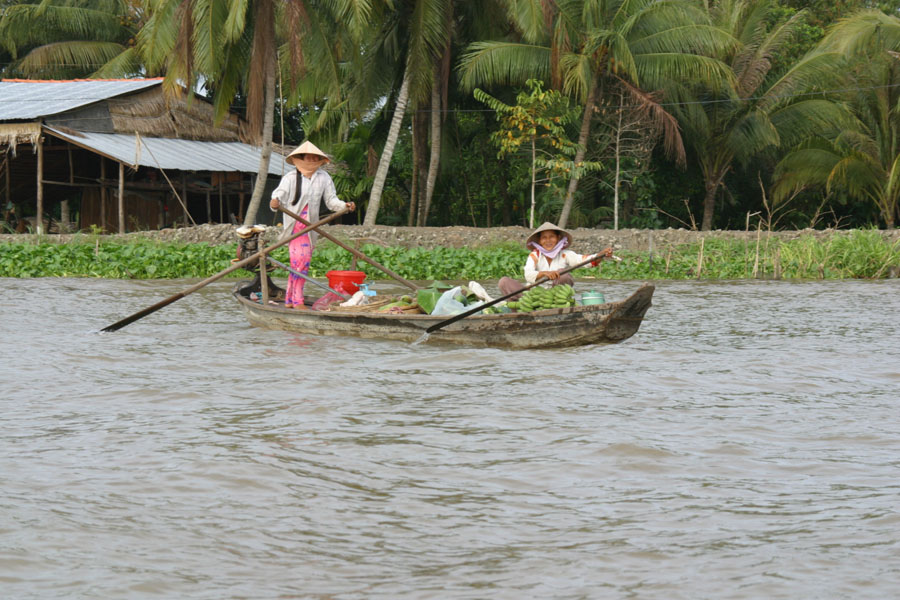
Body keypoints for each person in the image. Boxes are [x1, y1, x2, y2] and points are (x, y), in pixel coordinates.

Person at [269, 141, 356, 309]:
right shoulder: (290, 178)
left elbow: (331, 201)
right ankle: (297, 301)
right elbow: (277, 195)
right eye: (308, 158)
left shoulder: (323, 177)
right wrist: (275, 202)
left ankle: (289, 300)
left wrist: (345, 206)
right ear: (300, 159)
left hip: (310, 227)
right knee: (301, 263)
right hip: (294, 227)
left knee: (299, 264)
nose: (311, 161)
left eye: (315, 158)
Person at [498, 222, 613, 298]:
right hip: (533, 295)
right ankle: (519, 311)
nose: (548, 241)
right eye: (544, 238)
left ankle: (557, 306)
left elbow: (585, 261)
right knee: (504, 282)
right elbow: (528, 274)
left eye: (552, 237)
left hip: (556, 296)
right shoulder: (535, 255)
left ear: (558, 238)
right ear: (539, 241)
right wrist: (545, 274)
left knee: (563, 274)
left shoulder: (565, 255)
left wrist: (600, 255)